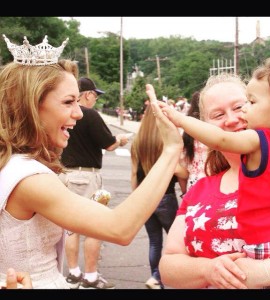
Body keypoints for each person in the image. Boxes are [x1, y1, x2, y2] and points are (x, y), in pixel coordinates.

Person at [0, 35, 183, 289]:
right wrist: (172, 150)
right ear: (30, 106)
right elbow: (120, 228)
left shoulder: (9, 164)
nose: (78, 112)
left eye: (78, 101)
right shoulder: (29, 178)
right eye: (68, 102)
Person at [148, 72, 270, 289]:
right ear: (205, 127)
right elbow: (169, 268)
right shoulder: (199, 189)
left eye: (240, 106)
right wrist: (208, 270)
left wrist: (259, 273)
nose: (231, 119)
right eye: (218, 115)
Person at [59, 77, 128, 289]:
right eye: (95, 97)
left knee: (70, 228)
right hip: (86, 175)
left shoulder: (60, 113)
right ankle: (90, 276)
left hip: (64, 173)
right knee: (94, 227)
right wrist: (121, 140)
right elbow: (108, 144)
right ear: (87, 94)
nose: (95, 101)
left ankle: (73, 273)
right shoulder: (89, 115)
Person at [130, 105, 183, 289]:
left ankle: (155, 277)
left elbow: (133, 174)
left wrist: (136, 199)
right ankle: (165, 277)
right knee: (176, 242)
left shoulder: (138, 142)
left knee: (154, 242)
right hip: (165, 197)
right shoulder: (165, 142)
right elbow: (179, 171)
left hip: (145, 199)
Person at [178, 90, 208, 193]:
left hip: (193, 183)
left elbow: (183, 163)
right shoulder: (213, 129)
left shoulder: (187, 131)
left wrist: (183, 193)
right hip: (214, 181)